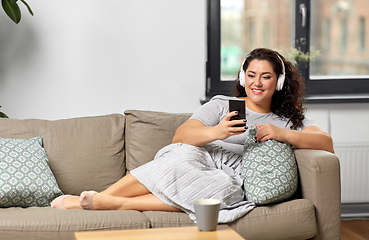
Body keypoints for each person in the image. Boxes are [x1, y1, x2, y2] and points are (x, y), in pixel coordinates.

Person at [51, 48, 334, 223]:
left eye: (266, 76)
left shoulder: (286, 120)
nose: (256, 83)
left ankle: (110, 203)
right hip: (199, 157)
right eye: (251, 74)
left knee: (222, 190)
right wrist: (217, 131)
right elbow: (181, 135)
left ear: (279, 81)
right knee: (181, 156)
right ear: (242, 77)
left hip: (229, 174)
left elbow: (325, 142)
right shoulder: (221, 104)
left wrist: (281, 133)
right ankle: (104, 198)